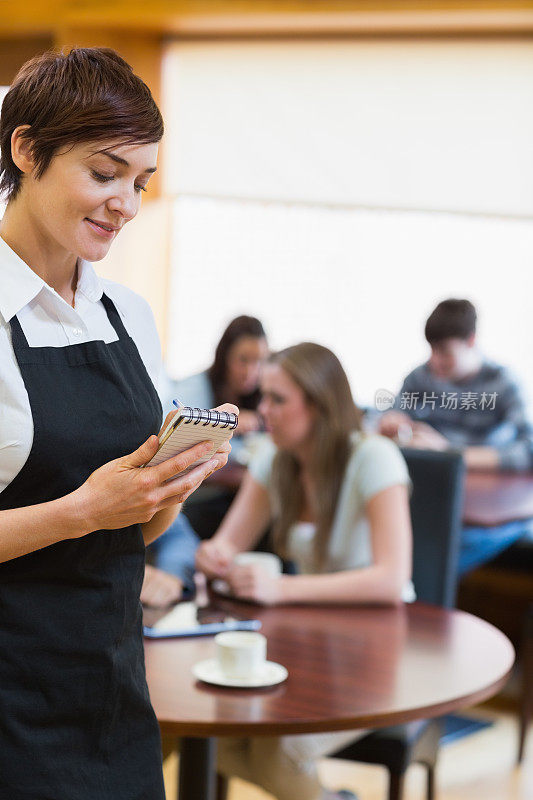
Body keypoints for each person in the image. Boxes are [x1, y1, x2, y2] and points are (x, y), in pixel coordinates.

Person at [0, 48, 234, 800]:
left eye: (140, 182)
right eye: (104, 174)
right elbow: (90, 515)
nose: (126, 204)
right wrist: (81, 511)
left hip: (111, 694)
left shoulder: (126, 315)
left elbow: (128, 535)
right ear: (27, 151)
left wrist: (173, 482)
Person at [196, 342, 413, 800]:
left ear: (317, 403)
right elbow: (227, 542)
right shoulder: (274, 459)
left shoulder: (373, 457)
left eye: (278, 399)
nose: (264, 410)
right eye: (264, 397)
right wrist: (213, 556)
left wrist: (281, 589)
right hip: (312, 644)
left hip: (379, 652)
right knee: (214, 732)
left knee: (280, 750)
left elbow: (392, 579)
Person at [379, 298, 533, 573]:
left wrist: (449, 452)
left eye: (445, 352)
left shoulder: (504, 383)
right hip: (430, 488)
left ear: (471, 341)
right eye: (431, 350)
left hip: (485, 498)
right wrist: (392, 422)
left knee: (448, 545)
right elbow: (388, 414)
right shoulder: (421, 377)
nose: (435, 360)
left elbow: (528, 449)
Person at [160, 315, 269, 541]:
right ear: (224, 356)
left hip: (234, 496)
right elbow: (166, 439)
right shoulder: (196, 387)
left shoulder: (262, 398)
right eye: (243, 360)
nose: (251, 372)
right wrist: (226, 426)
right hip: (194, 499)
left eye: (259, 362)